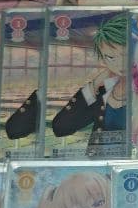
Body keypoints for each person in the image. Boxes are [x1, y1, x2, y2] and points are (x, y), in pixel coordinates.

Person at [51, 13, 128, 155]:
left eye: (126, 55)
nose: (119, 64)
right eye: (110, 57)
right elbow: (61, 128)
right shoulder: (104, 91)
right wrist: (94, 85)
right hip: (98, 163)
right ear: (103, 59)